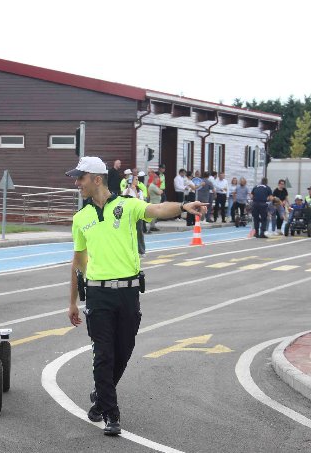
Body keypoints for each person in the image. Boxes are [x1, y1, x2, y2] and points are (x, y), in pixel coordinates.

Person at [65, 156, 207, 436]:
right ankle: (111, 414)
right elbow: (78, 262)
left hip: (128, 293)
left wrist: (182, 207)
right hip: (97, 294)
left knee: (123, 352)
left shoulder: (127, 206)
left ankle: (101, 397)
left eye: (80, 178)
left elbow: (156, 208)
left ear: (97, 179)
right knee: (103, 355)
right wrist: (72, 301)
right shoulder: (80, 218)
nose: (76, 183)